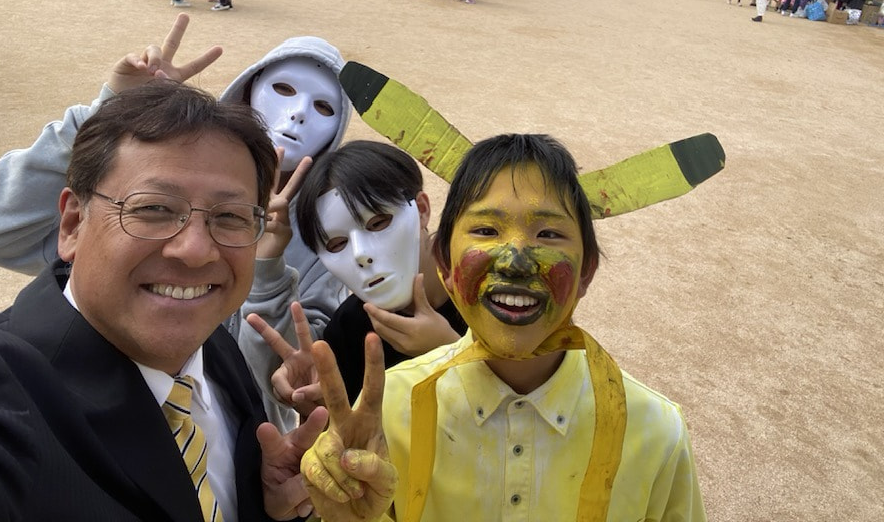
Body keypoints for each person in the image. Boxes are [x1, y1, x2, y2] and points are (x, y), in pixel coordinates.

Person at [0, 81, 333, 521]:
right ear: (73, 224)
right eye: (153, 209)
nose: (196, 251)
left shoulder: (211, 349)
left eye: (230, 217)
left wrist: (276, 507)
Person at [0, 19, 354, 431]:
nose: (296, 115)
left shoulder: (328, 237)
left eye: (323, 107)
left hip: (243, 439)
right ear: (248, 91)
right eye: (154, 209)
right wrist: (112, 116)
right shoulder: (13, 402)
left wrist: (270, 270)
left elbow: (294, 372)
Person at [301, 133, 707, 522]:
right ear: (443, 261)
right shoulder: (389, 414)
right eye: (486, 230)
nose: (515, 261)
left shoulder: (656, 431)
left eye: (548, 233)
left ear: (586, 271)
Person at [258, 140, 467, 409]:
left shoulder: (490, 295)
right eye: (336, 244)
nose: (361, 253)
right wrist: (323, 409)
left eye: (378, 223)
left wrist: (451, 354)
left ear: (422, 210)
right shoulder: (348, 331)